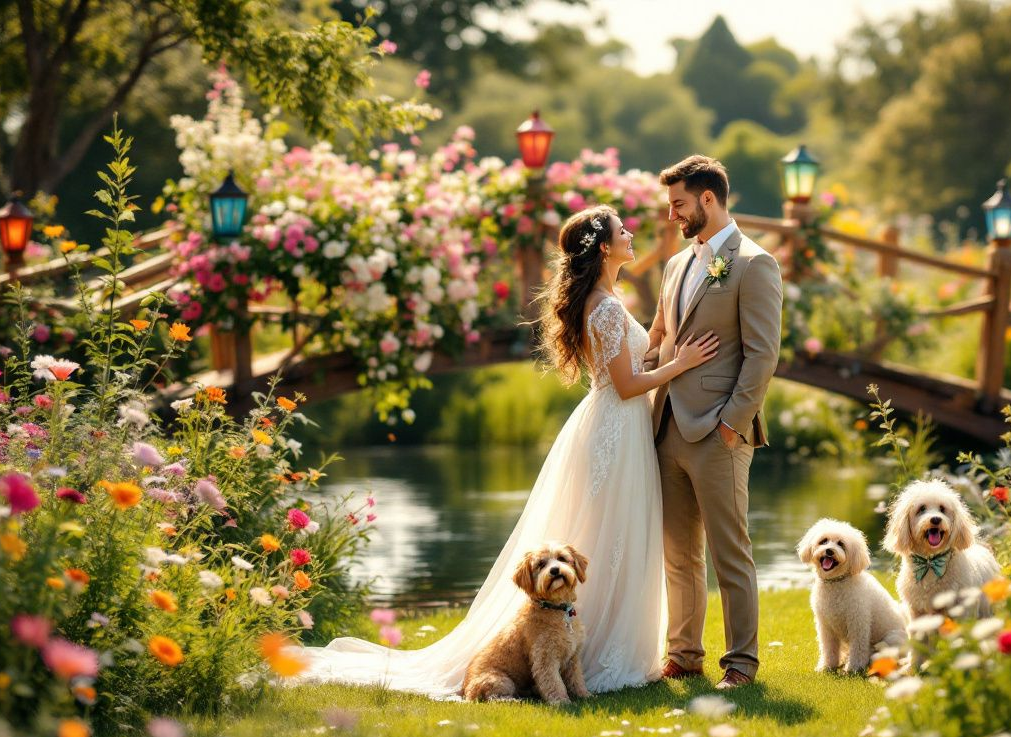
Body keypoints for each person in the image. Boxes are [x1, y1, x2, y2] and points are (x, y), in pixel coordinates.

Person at [293, 205, 719, 697]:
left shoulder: (608, 300)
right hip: (616, 427)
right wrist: (680, 364)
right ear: (604, 247)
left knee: (614, 533)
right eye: (622, 230)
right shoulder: (602, 306)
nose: (631, 234)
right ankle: (591, 651)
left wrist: (665, 348)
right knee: (606, 534)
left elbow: (626, 367)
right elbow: (625, 385)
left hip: (619, 429)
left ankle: (594, 644)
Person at [646, 155, 783, 689]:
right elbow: (659, 338)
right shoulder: (677, 265)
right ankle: (684, 653)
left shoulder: (754, 263)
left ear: (708, 198)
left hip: (720, 432)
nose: (674, 214)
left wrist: (732, 423)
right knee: (679, 554)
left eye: (679, 204)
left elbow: (762, 354)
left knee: (731, 553)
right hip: (667, 429)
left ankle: (742, 664)